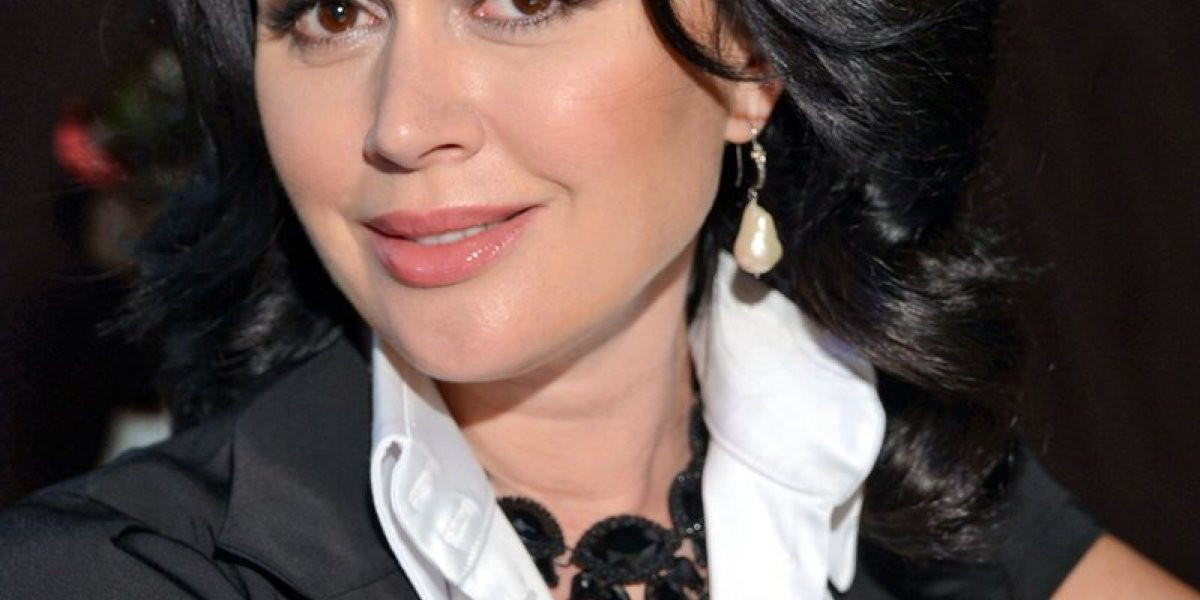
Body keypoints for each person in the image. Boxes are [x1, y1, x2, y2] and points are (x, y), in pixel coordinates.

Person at [1, 0, 1195, 598]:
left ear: (751, 60)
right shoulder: (120, 572)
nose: (402, 123)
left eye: (520, 0)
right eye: (334, 13)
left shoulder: (901, 476)